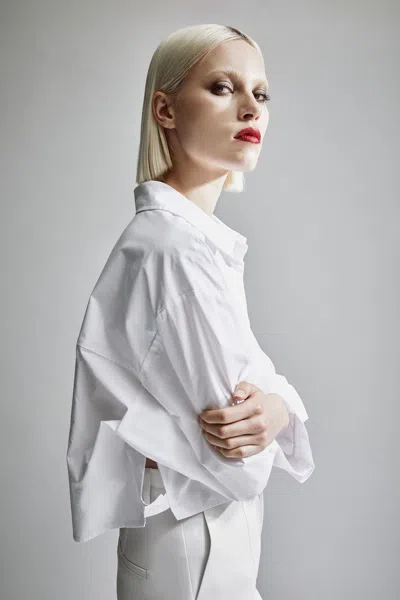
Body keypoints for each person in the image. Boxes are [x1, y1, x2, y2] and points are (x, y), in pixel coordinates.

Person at [66, 23, 315, 600]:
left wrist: (277, 406)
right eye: (223, 87)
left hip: (193, 537)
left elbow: (254, 391)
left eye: (261, 93)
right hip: (194, 543)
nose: (251, 107)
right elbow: (236, 456)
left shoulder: (188, 243)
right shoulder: (175, 251)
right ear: (166, 110)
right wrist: (274, 410)